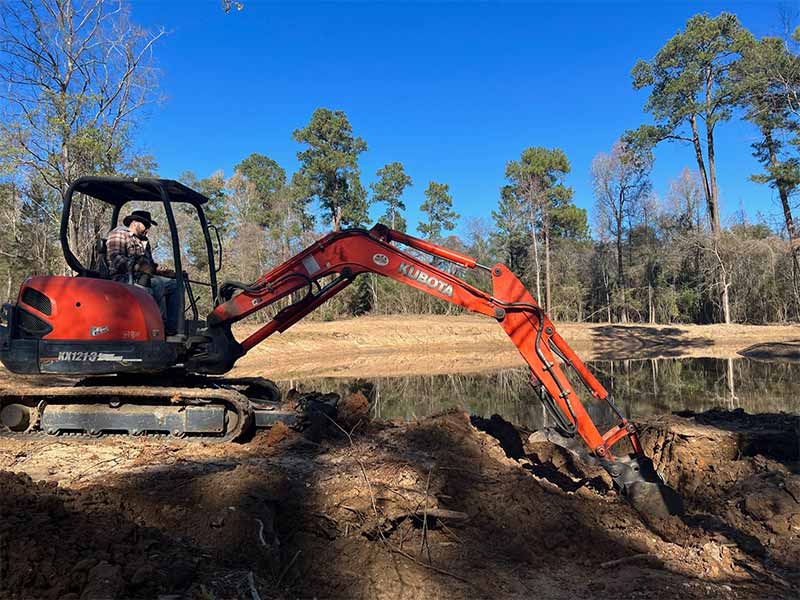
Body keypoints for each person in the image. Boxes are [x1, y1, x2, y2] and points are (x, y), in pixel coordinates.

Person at [106, 210, 180, 336]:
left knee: (174, 285)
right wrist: (136, 267)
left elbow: (149, 265)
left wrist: (165, 272)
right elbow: (114, 257)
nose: (148, 229)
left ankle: (171, 329)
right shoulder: (119, 234)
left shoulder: (144, 241)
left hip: (143, 277)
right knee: (157, 284)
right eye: (146, 225)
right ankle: (157, 327)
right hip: (122, 278)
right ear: (135, 223)